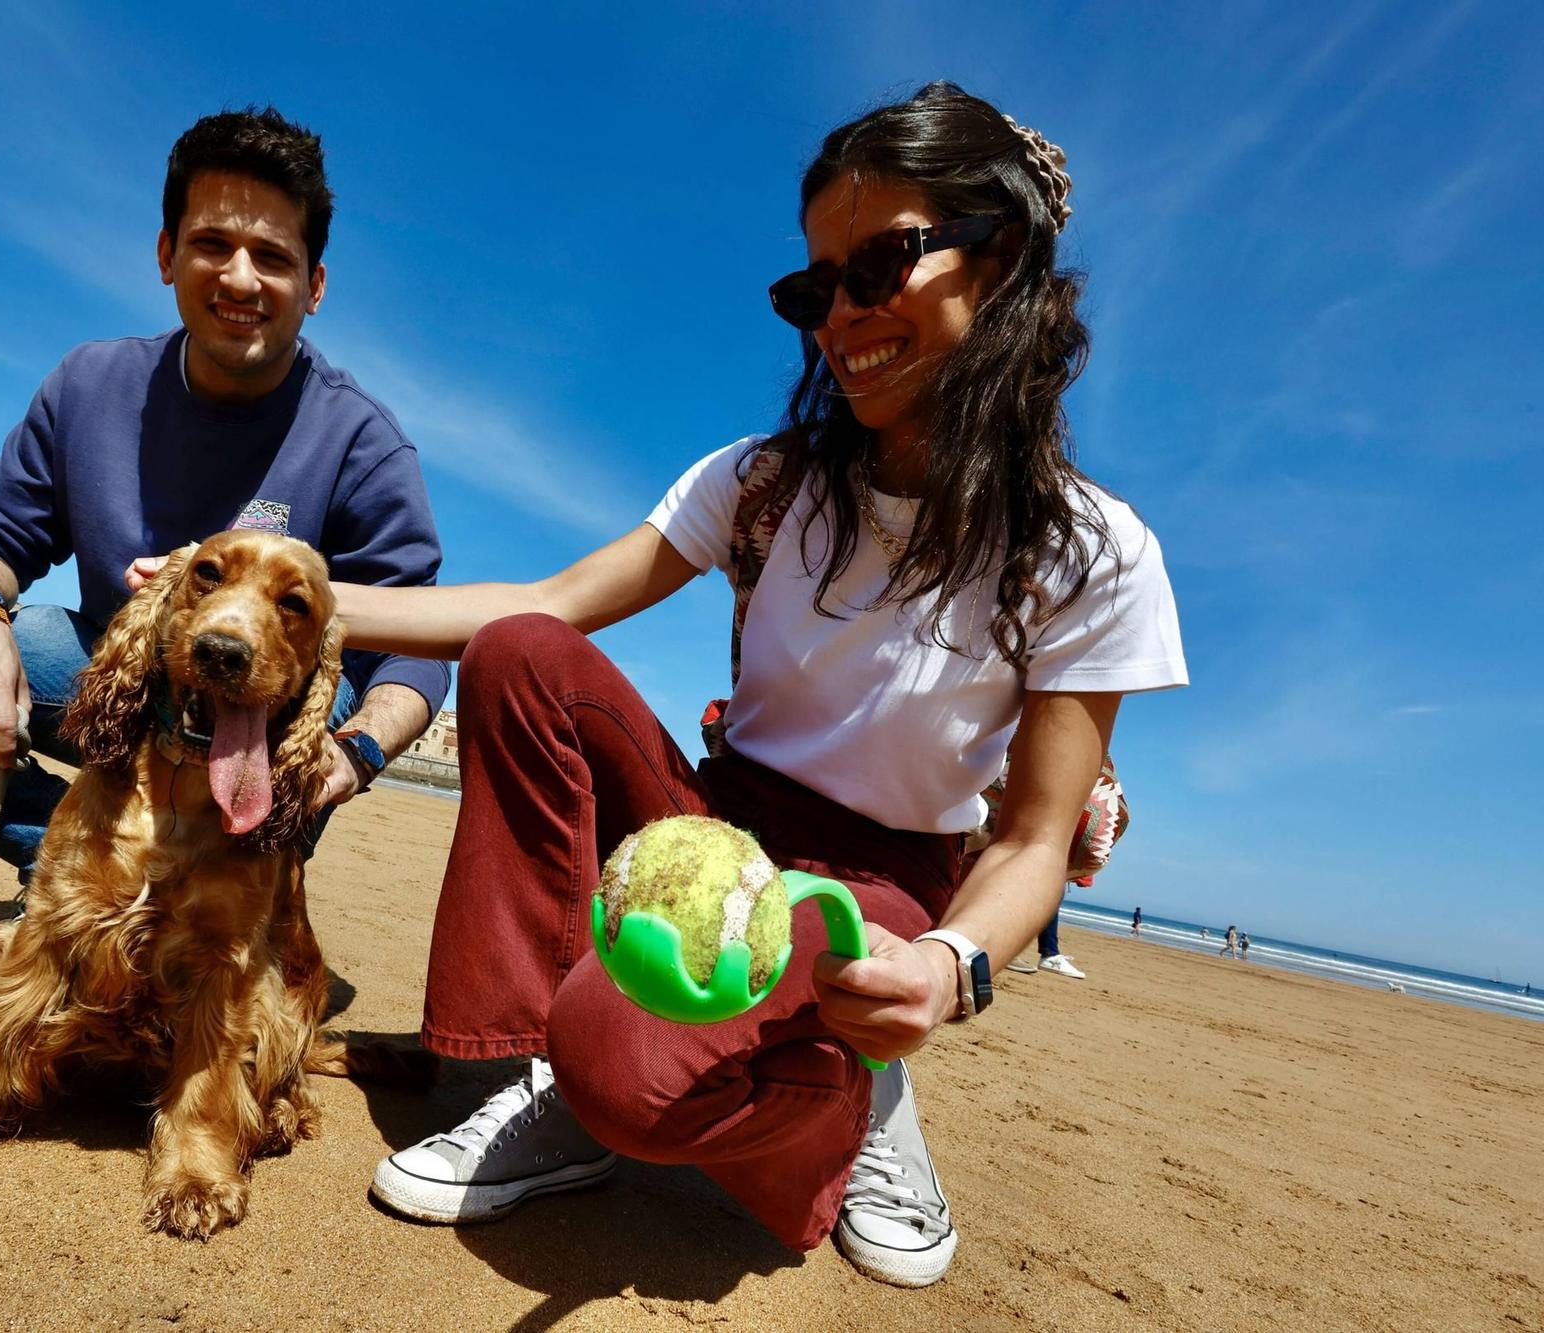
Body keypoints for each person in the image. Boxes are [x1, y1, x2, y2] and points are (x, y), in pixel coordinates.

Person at [325, 84, 1187, 1288]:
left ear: (1000, 264)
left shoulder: (1088, 550)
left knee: (623, 1062)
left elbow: (1037, 836)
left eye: (880, 263)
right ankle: (535, 1079)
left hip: (880, 879)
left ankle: (853, 1100)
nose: (838, 315)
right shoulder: (765, 483)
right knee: (521, 653)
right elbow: (555, 600)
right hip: (719, 826)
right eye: (811, 289)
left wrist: (948, 969)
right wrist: (306, 596)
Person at [0, 107, 449, 875]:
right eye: (212, 244)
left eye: (272, 256)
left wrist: (359, 751)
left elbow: (418, 646)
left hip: (264, 716)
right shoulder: (91, 383)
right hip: (116, 673)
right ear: (167, 254)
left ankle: (215, 888)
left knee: (290, 721)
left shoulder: (363, 441)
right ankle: (69, 864)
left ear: (315, 285)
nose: (241, 277)